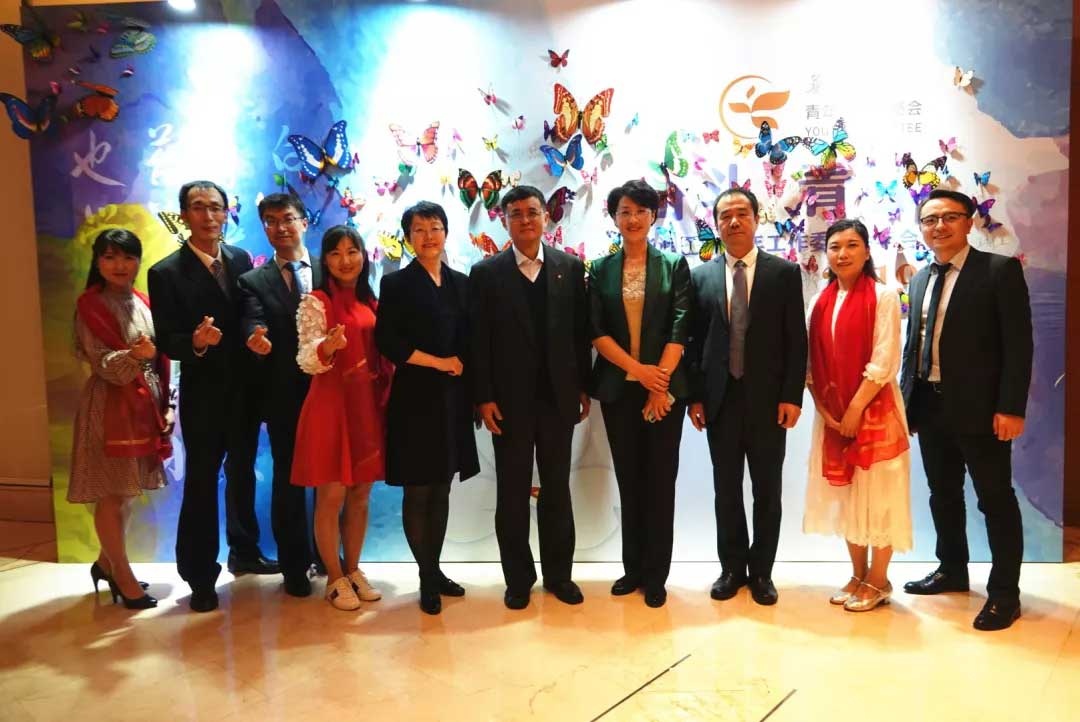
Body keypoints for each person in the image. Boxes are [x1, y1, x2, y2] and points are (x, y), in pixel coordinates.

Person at [900, 189, 1032, 631]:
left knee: (995, 499)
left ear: (969, 222)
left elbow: (1019, 345)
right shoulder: (920, 278)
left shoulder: (998, 271)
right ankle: (952, 570)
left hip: (982, 409)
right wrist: (908, 407)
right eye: (929, 219)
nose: (938, 226)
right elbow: (913, 347)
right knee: (943, 494)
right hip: (930, 406)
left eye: (949, 217)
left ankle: (1005, 594)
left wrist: (1011, 407)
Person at [148, 180, 275, 613]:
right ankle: (199, 575)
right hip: (203, 396)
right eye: (198, 207)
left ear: (226, 213)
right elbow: (166, 338)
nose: (208, 216)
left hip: (244, 390)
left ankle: (245, 550)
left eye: (216, 207)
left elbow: (250, 312)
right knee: (202, 483)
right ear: (184, 216)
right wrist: (195, 342)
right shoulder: (166, 272)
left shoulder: (239, 259)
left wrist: (256, 334)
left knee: (242, 473)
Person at [469, 185, 591, 610]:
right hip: (508, 403)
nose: (525, 219)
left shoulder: (569, 268)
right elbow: (478, 341)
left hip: (558, 399)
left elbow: (579, 334)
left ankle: (560, 576)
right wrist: (483, 397)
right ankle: (518, 580)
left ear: (545, 217)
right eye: (516, 213)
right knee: (512, 492)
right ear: (504, 220)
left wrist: (582, 387)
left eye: (532, 212)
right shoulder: (486, 273)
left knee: (557, 489)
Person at [687, 187, 807, 607]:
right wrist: (695, 397)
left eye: (742, 213)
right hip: (719, 401)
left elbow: (796, 340)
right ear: (716, 224)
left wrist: (792, 396)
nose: (734, 221)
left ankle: (762, 572)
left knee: (767, 491)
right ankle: (732, 569)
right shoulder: (700, 276)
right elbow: (693, 341)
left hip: (769, 402)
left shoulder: (784, 273)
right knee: (726, 490)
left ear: (757, 219)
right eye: (725, 215)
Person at [587, 180, 691, 609]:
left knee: (660, 484)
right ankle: (632, 569)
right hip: (620, 392)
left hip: (665, 394)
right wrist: (640, 374)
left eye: (641, 211)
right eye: (624, 211)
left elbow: (680, 326)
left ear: (653, 216)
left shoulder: (674, 265)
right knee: (629, 482)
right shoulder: (600, 269)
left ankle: (656, 575)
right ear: (614, 217)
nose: (632, 219)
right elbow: (597, 332)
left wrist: (658, 383)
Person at [375, 201, 480, 615]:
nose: (428, 236)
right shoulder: (396, 284)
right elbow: (389, 342)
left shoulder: (462, 283)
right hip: (415, 400)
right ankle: (425, 576)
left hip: (453, 400)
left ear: (446, 233)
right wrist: (440, 363)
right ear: (408, 238)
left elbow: (472, 339)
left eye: (435, 227)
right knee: (418, 490)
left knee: (441, 487)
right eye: (418, 230)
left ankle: (434, 570)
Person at [803, 220, 912, 612]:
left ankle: (879, 579)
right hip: (833, 414)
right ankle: (858, 573)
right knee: (849, 495)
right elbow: (809, 363)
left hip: (874, 409)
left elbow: (885, 360)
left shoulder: (884, 296)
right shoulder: (819, 301)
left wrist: (854, 409)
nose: (842, 253)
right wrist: (825, 409)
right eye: (835, 246)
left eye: (852, 245)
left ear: (867, 251)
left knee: (880, 495)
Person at [70, 229, 171, 610]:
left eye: (128, 257)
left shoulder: (142, 300)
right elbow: (102, 363)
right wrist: (134, 355)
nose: (120, 265)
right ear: (97, 262)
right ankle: (122, 577)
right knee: (112, 495)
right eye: (110, 257)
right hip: (109, 405)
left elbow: (159, 359)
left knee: (126, 493)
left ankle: (105, 563)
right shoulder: (90, 305)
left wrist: (166, 402)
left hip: (142, 406)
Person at [292, 225, 391, 610]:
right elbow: (305, 358)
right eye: (335, 253)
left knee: (361, 494)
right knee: (331, 495)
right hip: (331, 407)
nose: (345, 260)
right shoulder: (315, 301)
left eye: (353, 251)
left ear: (363, 256)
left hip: (366, 406)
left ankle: (353, 569)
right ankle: (333, 577)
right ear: (326, 260)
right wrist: (327, 348)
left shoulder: (371, 300)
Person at [237, 193, 319, 598]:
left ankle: (330, 556)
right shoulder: (253, 280)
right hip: (284, 397)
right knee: (289, 481)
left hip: (333, 393)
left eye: (287, 218)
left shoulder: (331, 267)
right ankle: (294, 566)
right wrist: (256, 339)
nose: (280, 227)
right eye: (270, 221)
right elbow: (252, 321)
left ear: (304, 222)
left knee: (334, 481)